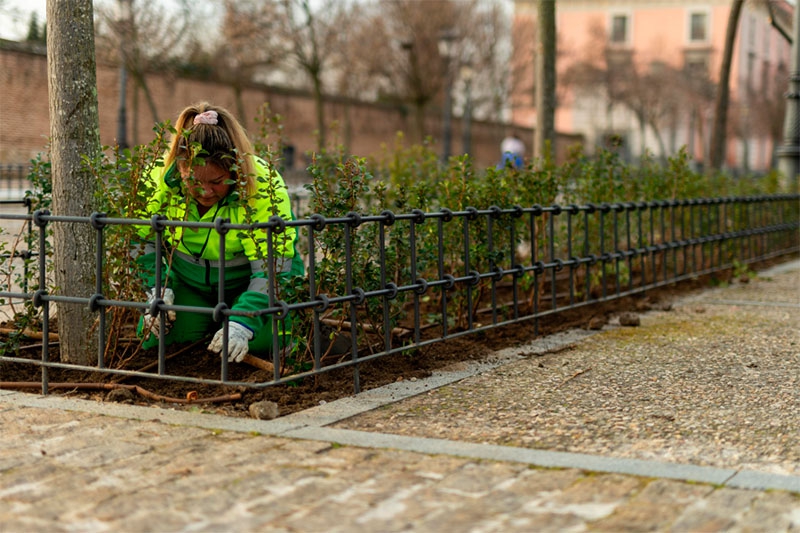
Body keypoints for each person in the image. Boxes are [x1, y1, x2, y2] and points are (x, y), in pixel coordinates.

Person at [132, 102, 304, 362]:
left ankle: (239, 320)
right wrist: (156, 289)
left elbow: (273, 266)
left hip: (247, 282)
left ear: (235, 169)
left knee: (266, 341)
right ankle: (210, 321)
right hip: (188, 281)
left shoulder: (263, 185)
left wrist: (243, 322)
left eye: (216, 182)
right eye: (193, 180)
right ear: (179, 168)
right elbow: (141, 240)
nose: (205, 192)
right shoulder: (157, 178)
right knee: (158, 339)